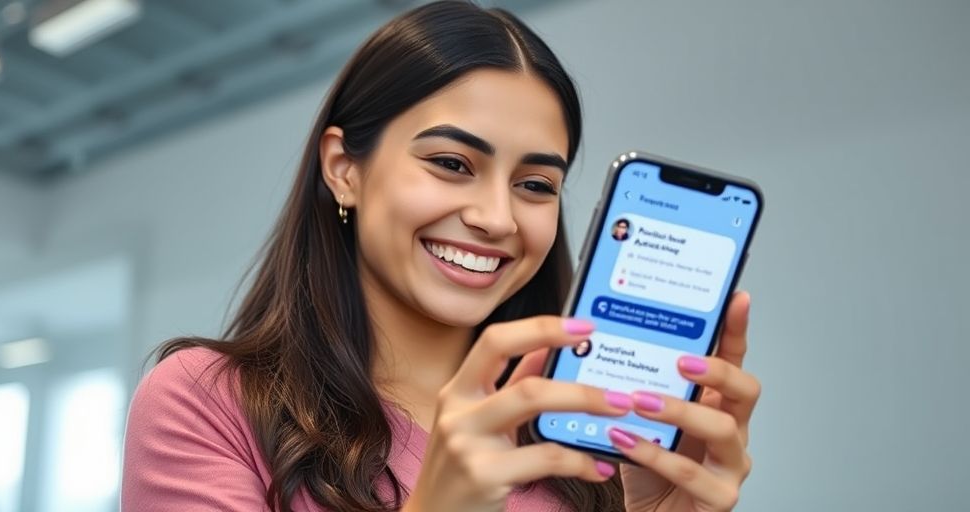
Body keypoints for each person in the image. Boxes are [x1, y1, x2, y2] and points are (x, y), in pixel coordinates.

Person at [120, 2, 760, 511]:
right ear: (344, 169)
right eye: (452, 164)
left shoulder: (581, 453)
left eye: (536, 185)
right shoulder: (206, 402)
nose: (497, 218)